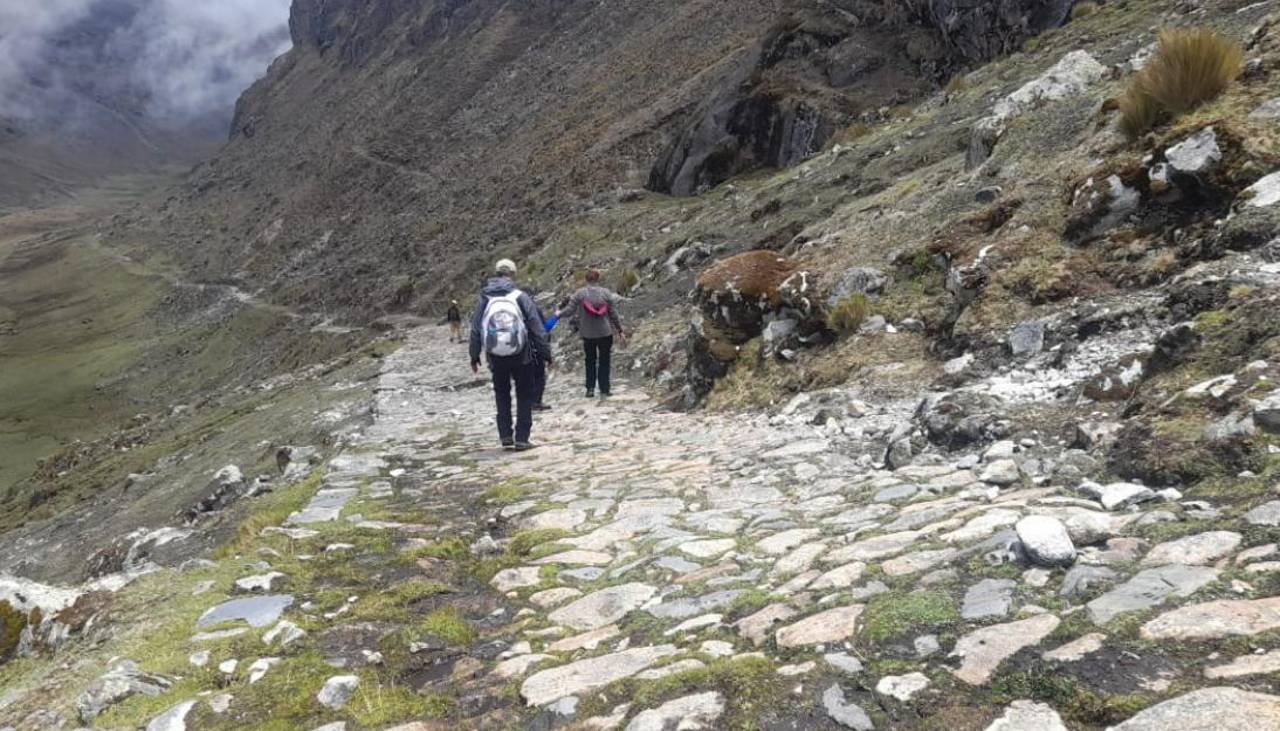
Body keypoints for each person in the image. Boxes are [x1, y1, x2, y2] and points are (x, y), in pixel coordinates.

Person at [469, 259, 551, 450]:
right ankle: (522, 438)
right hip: (522, 354)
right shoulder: (520, 296)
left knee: (502, 393)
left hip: (495, 355)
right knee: (524, 394)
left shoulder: (484, 298)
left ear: (496, 273)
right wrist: (547, 354)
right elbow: (537, 328)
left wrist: (474, 356)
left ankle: (505, 435)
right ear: (512, 274)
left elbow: (475, 329)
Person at [563, 269, 626, 398]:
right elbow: (613, 314)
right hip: (605, 332)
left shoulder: (579, 294)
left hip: (587, 333)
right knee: (604, 360)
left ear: (586, 280)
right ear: (598, 279)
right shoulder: (606, 293)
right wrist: (620, 330)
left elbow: (569, 310)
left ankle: (590, 389)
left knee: (590, 360)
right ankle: (604, 389)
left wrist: (558, 314)